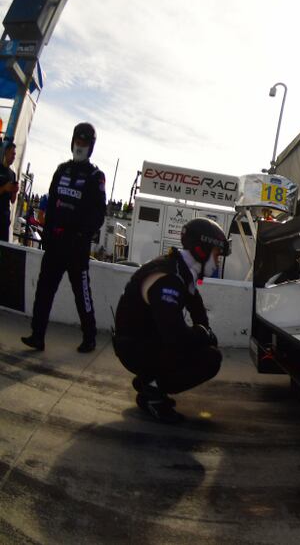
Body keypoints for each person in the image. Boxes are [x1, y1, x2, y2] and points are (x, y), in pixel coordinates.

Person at [113, 218, 228, 423]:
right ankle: (153, 391)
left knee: (202, 347)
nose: (217, 262)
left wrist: (206, 333)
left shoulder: (179, 270)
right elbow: (174, 334)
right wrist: (203, 335)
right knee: (210, 359)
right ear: (201, 251)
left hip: (139, 342)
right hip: (134, 346)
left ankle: (149, 380)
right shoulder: (170, 279)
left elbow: (196, 304)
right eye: (217, 255)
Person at [21, 124, 106, 353]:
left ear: (91, 146)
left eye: (84, 143)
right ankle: (37, 335)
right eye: (77, 141)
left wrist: (80, 236)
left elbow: (99, 214)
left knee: (82, 294)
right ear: (72, 142)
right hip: (55, 244)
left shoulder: (96, 176)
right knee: (44, 291)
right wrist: (47, 234)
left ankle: (90, 337)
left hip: (77, 248)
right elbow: (51, 205)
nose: (80, 146)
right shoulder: (61, 170)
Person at [0, 140, 18, 243]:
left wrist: (15, 192)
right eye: (12, 154)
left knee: (3, 247)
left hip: (5, 216)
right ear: (6, 152)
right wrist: (4, 188)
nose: (14, 157)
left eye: (15, 155)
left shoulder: (13, 174)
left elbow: (12, 201)